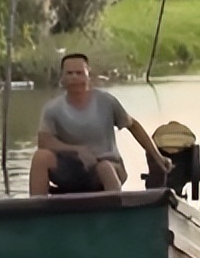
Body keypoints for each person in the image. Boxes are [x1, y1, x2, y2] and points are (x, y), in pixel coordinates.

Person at [28, 52, 173, 196]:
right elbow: (44, 141)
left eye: (79, 73)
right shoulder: (52, 109)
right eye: (69, 73)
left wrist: (157, 157)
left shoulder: (106, 101)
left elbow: (133, 126)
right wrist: (76, 150)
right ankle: (36, 211)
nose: (74, 78)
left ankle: (116, 210)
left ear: (88, 76)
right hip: (73, 167)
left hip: (108, 165)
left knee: (104, 168)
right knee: (40, 157)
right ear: (62, 78)